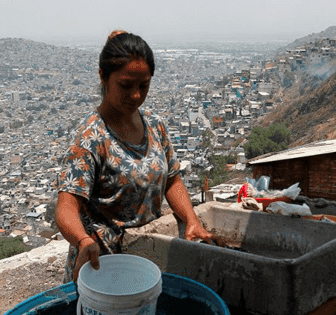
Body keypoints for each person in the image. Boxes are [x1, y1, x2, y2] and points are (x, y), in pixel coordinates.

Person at [55, 30, 220, 283]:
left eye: (143, 86)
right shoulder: (91, 138)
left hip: (146, 262)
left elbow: (172, 180)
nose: (135, 95)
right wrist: (82, 240)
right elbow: (67, 205)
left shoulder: (154, 125)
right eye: (125, 85)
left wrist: (191, 220)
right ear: (103, 77)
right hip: (102, 268)